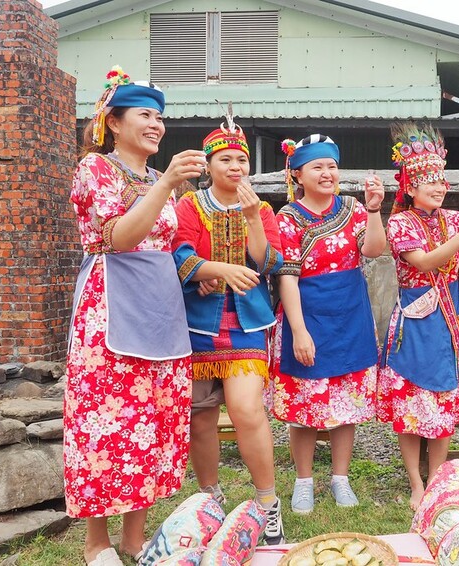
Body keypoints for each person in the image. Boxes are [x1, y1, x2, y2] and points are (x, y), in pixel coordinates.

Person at [65, 66, 204, 566]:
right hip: (111, 303)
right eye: (145, 114)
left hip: (159, 305)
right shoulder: (94, 170)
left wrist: (201, 272)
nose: (156, 124)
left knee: (151, 417)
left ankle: (133, 537)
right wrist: (167, 182)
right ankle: (95, 542)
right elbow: (119, 239)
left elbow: (170, 246)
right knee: (105, 418)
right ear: (114, 122)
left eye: (160, 116)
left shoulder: (154, 178)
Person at [171, 112, 285, 544]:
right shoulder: (189, 205)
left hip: (245, 323)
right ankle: (210, 500)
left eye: (242, 159)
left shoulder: (263, 208)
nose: (235, 167)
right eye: (226, 160)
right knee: (200, 419)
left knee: (246, 410)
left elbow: (269, 262)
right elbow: (179, 255)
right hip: (196, 325)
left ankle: (267, 503)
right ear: (210, 165)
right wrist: (210, 270)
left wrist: (254, 218)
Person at [269, 134, 386, 514]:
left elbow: (373, 250)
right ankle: (303, 481)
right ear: (298, 174)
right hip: (307, 312)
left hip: (350, 313)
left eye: (332, 166)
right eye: (317, 166)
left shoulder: (352, 209)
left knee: (346, 403)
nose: (327, 173)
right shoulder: (286, 218)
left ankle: (340, 478)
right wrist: (299, 331)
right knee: (305, 404)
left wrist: (373, 211)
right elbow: (286, 276)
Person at [376, 123, 459, 510]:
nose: (438, 188)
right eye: (429, 183)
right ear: (409, 187)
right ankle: (415, 483)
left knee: (443, 403)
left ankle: (437, 478)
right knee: (411, 406)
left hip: (450, 321)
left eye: (441, 181)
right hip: (417, 322)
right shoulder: (400, 223)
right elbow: (422, 263)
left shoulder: (456, 220)